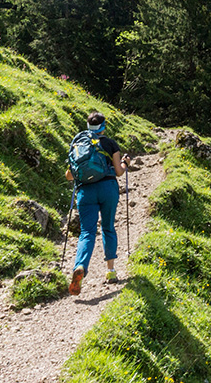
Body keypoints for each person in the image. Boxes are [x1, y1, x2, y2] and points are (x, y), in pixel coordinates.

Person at [66, 111, 130, 295]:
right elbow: (118, 172)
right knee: (108, 227)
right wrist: (125, 164)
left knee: (86, 232)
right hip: (108, 189)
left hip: (85, 191)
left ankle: (80, 266)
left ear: (88, 126)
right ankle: (110, 271)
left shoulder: (79, 144)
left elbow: (69, 175)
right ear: (104, 126)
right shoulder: (110, 143)